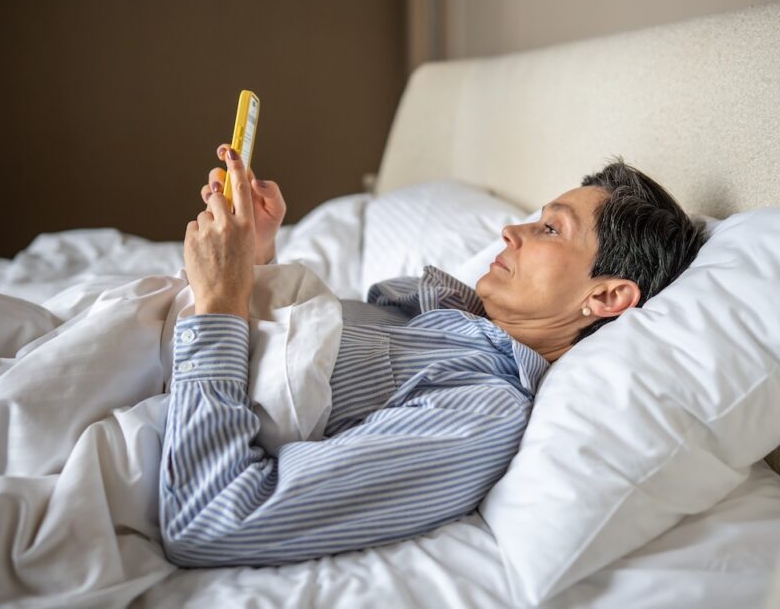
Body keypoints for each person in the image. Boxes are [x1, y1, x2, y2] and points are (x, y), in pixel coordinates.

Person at [159, 144, 705, 567]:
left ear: (606, 296)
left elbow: (210, 518)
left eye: (549, 229)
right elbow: (290, 359)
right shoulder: (434, 308)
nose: (511, 231)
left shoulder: (484, 410)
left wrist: (221, 306)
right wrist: (254, 264)